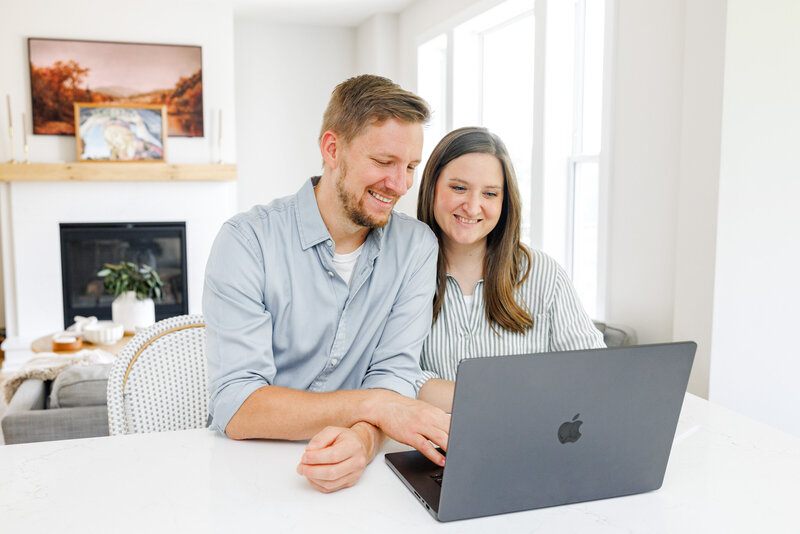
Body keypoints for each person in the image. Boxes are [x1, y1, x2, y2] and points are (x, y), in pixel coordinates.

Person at [203, 75, 450, 494]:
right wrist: (374, 407)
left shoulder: (416, 247)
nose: (401, 185)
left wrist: (363, 438)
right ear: (332, 149)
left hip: (358, 475)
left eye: (410, 167)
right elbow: (237, 406)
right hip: (244, 471)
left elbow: (393, 373)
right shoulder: (247, 241)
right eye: (384, 162)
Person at [415, 127, 605, 412]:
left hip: (527, 442)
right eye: (458, 188)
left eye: (490, 193)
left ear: (504, 203)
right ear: (432, 187)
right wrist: (505, 395)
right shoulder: (404, 271)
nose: (472, 206)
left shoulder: (543, 274)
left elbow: (593, 371)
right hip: (433, 445)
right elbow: (392, 377)